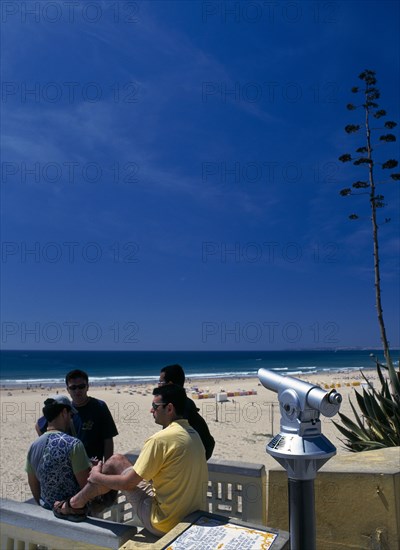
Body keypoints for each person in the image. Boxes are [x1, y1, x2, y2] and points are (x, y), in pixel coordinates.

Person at [53, 385, 208, 535]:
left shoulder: (160, 440)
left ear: (169, 409)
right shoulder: (193, 434)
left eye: (155, 405)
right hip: (192, 515)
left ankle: (74, 505)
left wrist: (96, 476)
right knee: (118, 459)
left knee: (113, 464)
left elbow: (128, 483)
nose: (151, 409)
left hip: (164, 523)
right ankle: (79, 503)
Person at [35, 369, 118, 462]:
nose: (77, 390)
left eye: (81, 386)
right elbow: (39, 426)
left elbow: (108, 438)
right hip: (70, 467)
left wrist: (107, 465)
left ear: (87, 387)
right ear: (68, 390)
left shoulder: (99, 406)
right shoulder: (63, 410)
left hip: (94, 465)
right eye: (73, 387)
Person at [26, 395, 91, 510]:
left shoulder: (33, 446)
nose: (71, 419)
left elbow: (33, 484)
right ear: (64, 412)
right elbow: (86, 487)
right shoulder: (74, 444)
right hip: (72, 513)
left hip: (46, 509)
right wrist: (93, 470)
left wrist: (43, 505)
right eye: (71, 415)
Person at [159, 364, 215, 460]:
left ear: (170, 384)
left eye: (161, 382)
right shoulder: (184, 403)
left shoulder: (180, 408)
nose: (158, 385)